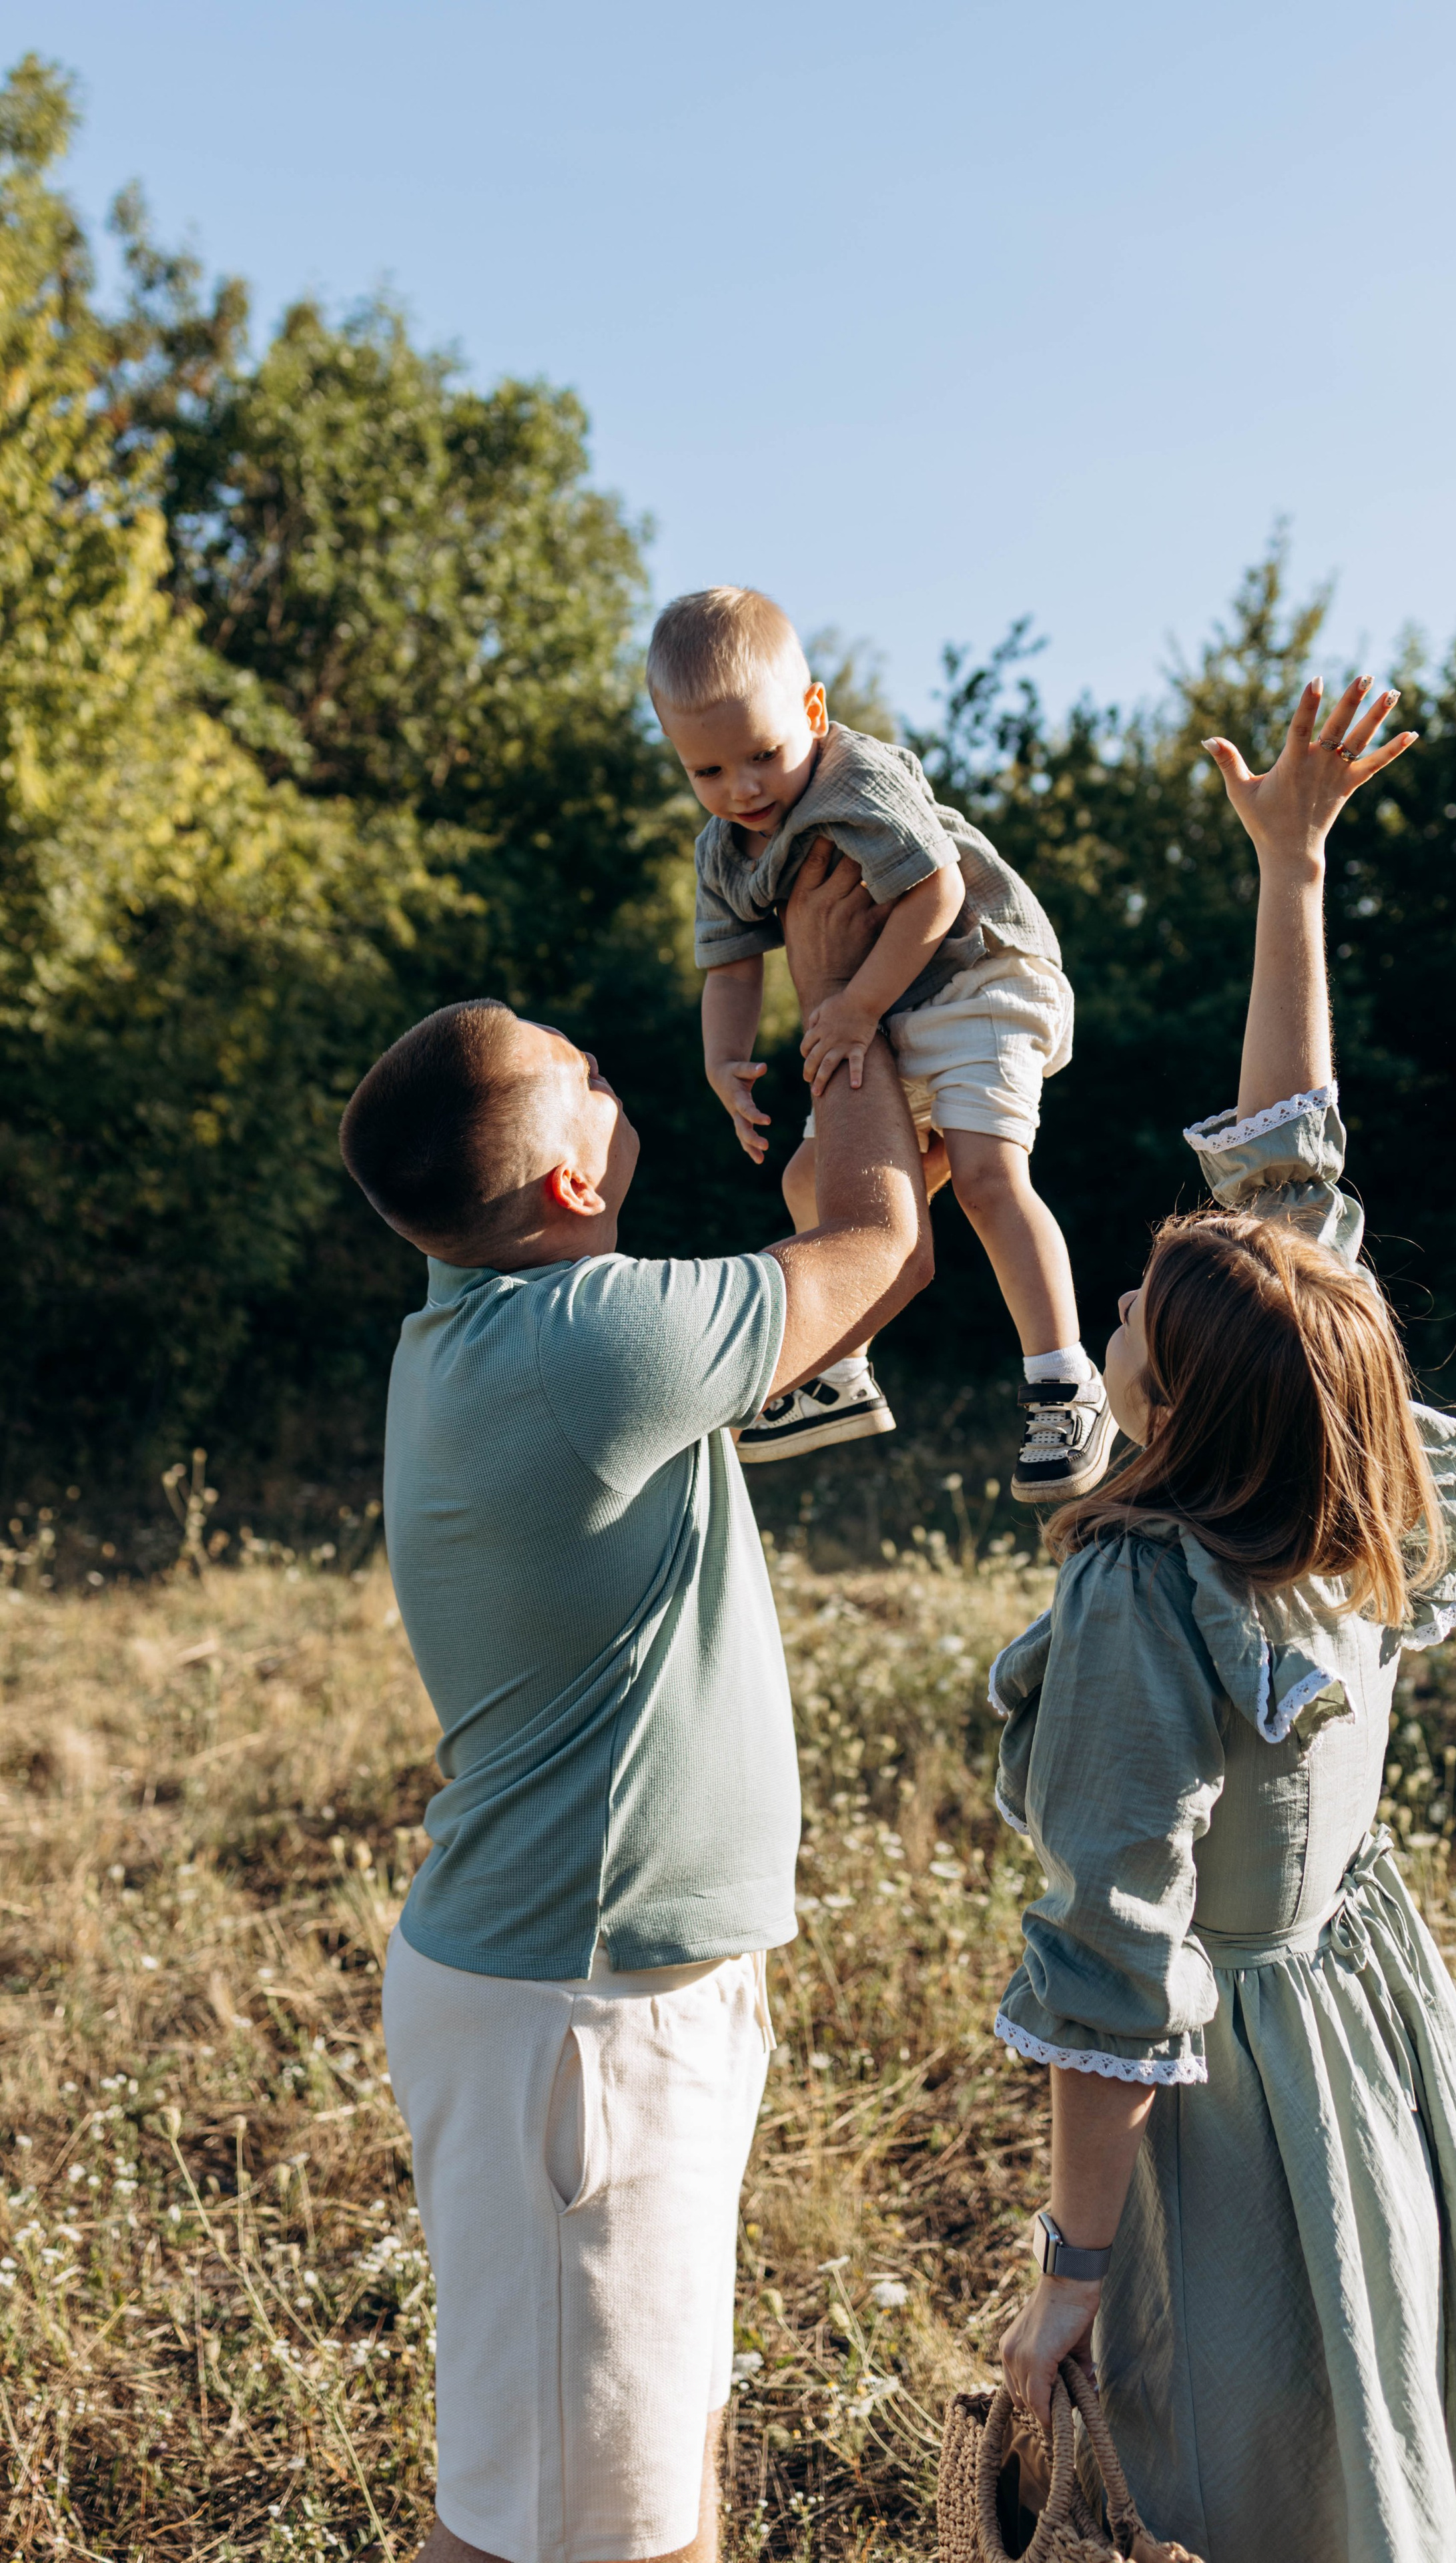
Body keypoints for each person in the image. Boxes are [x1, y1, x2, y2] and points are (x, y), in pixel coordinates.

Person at [993, 676, 1456, 2559]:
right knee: (1345, 2437)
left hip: (1225, 2089)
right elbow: (1288, 1179)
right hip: (1353, 2012)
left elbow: (1116, 1963)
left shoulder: (1144, 1588)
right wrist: (1291, 870)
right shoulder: (1345, 1494)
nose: (1131, 1304)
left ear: (1179, 1396)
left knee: (1234, 2463)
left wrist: (1075, 2268)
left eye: (1147, 1308)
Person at [336, 844, 931, 2563]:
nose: (614, 1066)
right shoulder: (588, 1342)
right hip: (579, 2020)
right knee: (567, 2525)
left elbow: (842, 1278)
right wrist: (853, 1004)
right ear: (567, 1179)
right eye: (583, 1073)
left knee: (628, 2481)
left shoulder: (493, 1330)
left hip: (597, 1995)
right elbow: (877, 1237)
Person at [648, 585, 1115, 1506]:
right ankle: (840, 1367)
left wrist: (853, 1006)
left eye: (762, 755)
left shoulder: (855, 780)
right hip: (887, 1008)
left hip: (980, 975)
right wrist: (722, 1064)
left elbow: (935, 896)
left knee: (984, 1175)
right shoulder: (722, 849)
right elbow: (734, 969)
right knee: (808, 1186)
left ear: (813, 714)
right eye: (707, 771)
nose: (741, 789)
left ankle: (1065, 1379)